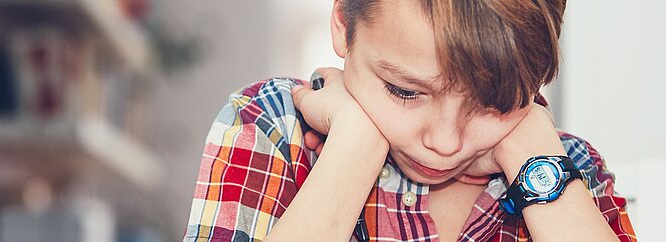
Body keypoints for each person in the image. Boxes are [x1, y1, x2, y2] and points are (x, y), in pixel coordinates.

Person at [184, 0, 636, 241]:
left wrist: (536, 159)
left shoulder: (570, 168)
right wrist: (353, 151)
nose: (444, 142)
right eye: (404, 91)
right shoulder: (274, 124)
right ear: (343, 23)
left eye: (495, 103)